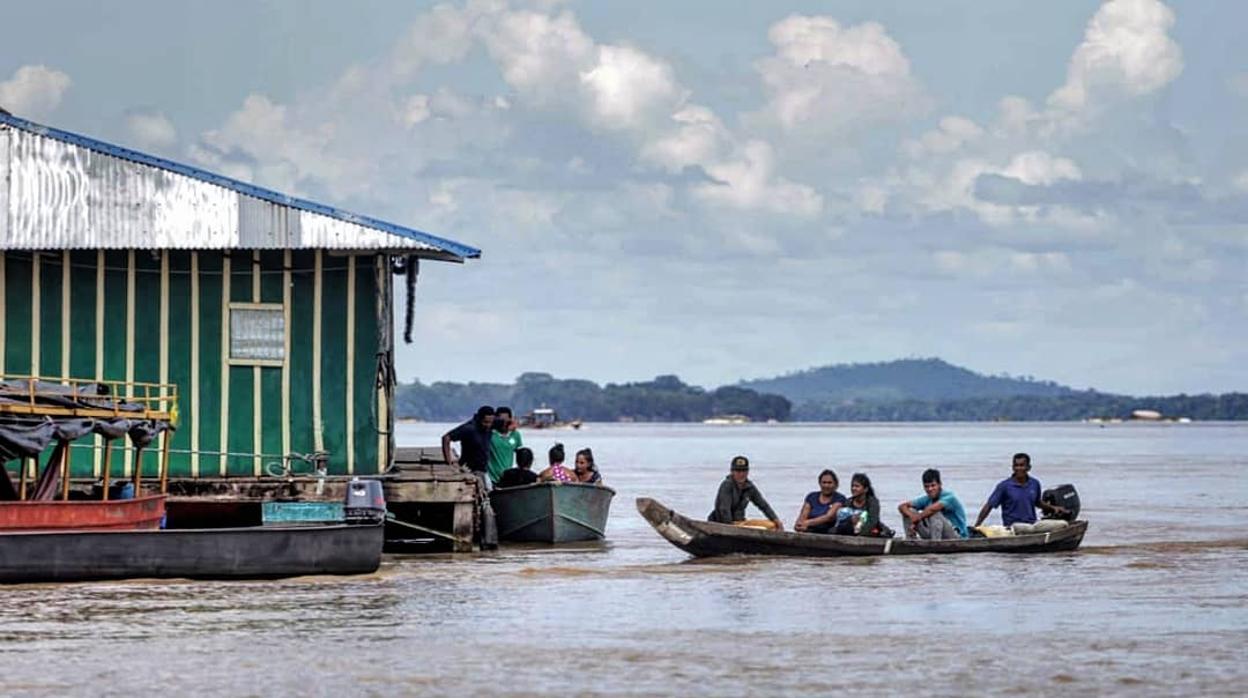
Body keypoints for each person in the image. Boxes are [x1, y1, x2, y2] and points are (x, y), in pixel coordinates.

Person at [973, 452, 1067, 529]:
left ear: (1028, 467)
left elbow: (1037, 502)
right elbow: (989, 506)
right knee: (1025, 528)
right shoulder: (1004, 486)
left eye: (1022, 465)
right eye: (1016, 466)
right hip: (1014, 527)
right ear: (1013, 467)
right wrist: (977, 525)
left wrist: (1054, 508)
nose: (1018, 468)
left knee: (1062, 524)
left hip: (1032, 525)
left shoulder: (1034, 483)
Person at [708, 455, 783, 530]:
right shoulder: (727, 485)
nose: (741, 474)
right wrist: (730, 529)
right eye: (738, 471)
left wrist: (776, 520)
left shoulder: (749, 487)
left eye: (744, 471)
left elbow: (763, 505)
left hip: (741, 522)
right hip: (723, 523)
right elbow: (724, 509)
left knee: (772, 525)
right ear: (732, 472)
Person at [898, 468, 968, 540]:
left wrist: (917, 518)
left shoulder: (950, 497)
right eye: (927, 486)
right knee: (910, 511)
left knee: (935, 513)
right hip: (932, 533)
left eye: (933, 485)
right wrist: (912, 516)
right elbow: (902, 506)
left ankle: (935, 544)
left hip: (956, 536)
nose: (930, 489)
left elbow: (932, 509)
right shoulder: (927, 499)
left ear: (939, 485)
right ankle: (910, 541)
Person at [441, 405, 495, 485]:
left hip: (483, 469)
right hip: (470, 470)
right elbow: (446, 438)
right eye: (485, 422)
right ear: (478, 418)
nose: (488, 425)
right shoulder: (469, 429)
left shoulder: (489, 426)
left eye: (491, 422)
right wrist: (448, 460)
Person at [794, 469, 846, 534]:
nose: (826, 485)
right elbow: (803, 515)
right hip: (809, 529)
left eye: (829, 483)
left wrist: (807, 523)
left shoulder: (840, 498)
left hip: (827, 531)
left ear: (835, 484)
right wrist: (799, 524)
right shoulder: (811, 496)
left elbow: (829, 517)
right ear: (819, 483)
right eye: (824, 482)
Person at [487, 405, 523, 486]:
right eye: (501, 421)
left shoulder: (515, 435)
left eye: (506, 421)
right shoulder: (490, 434)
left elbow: (521, 456)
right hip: (492, 477)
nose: (503, 424)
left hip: (508, 477)